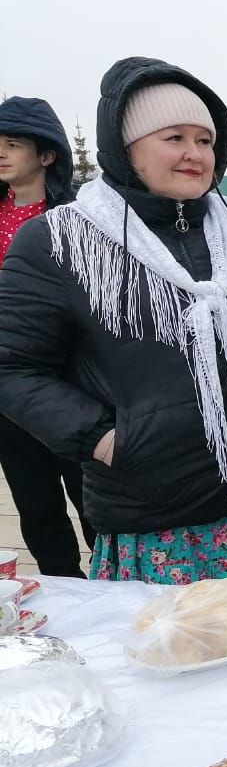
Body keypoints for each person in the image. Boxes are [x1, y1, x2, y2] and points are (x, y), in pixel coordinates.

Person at [0, 57, 227, 586]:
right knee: (170, 663)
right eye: (174, 137)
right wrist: (106, 439)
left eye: (205, 140)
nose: (194, 154)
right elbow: (13, 368)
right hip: (154, 526)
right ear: (125, 148)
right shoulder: (62, 241)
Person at [0, 97, 96, 577]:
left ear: (47, 155)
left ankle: (117, 587)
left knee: (92, 495)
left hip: (73, 383)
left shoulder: (79, 218)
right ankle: (65, 588)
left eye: (13, 144)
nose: (1, 153)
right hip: (8, 390)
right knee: (35, 503)